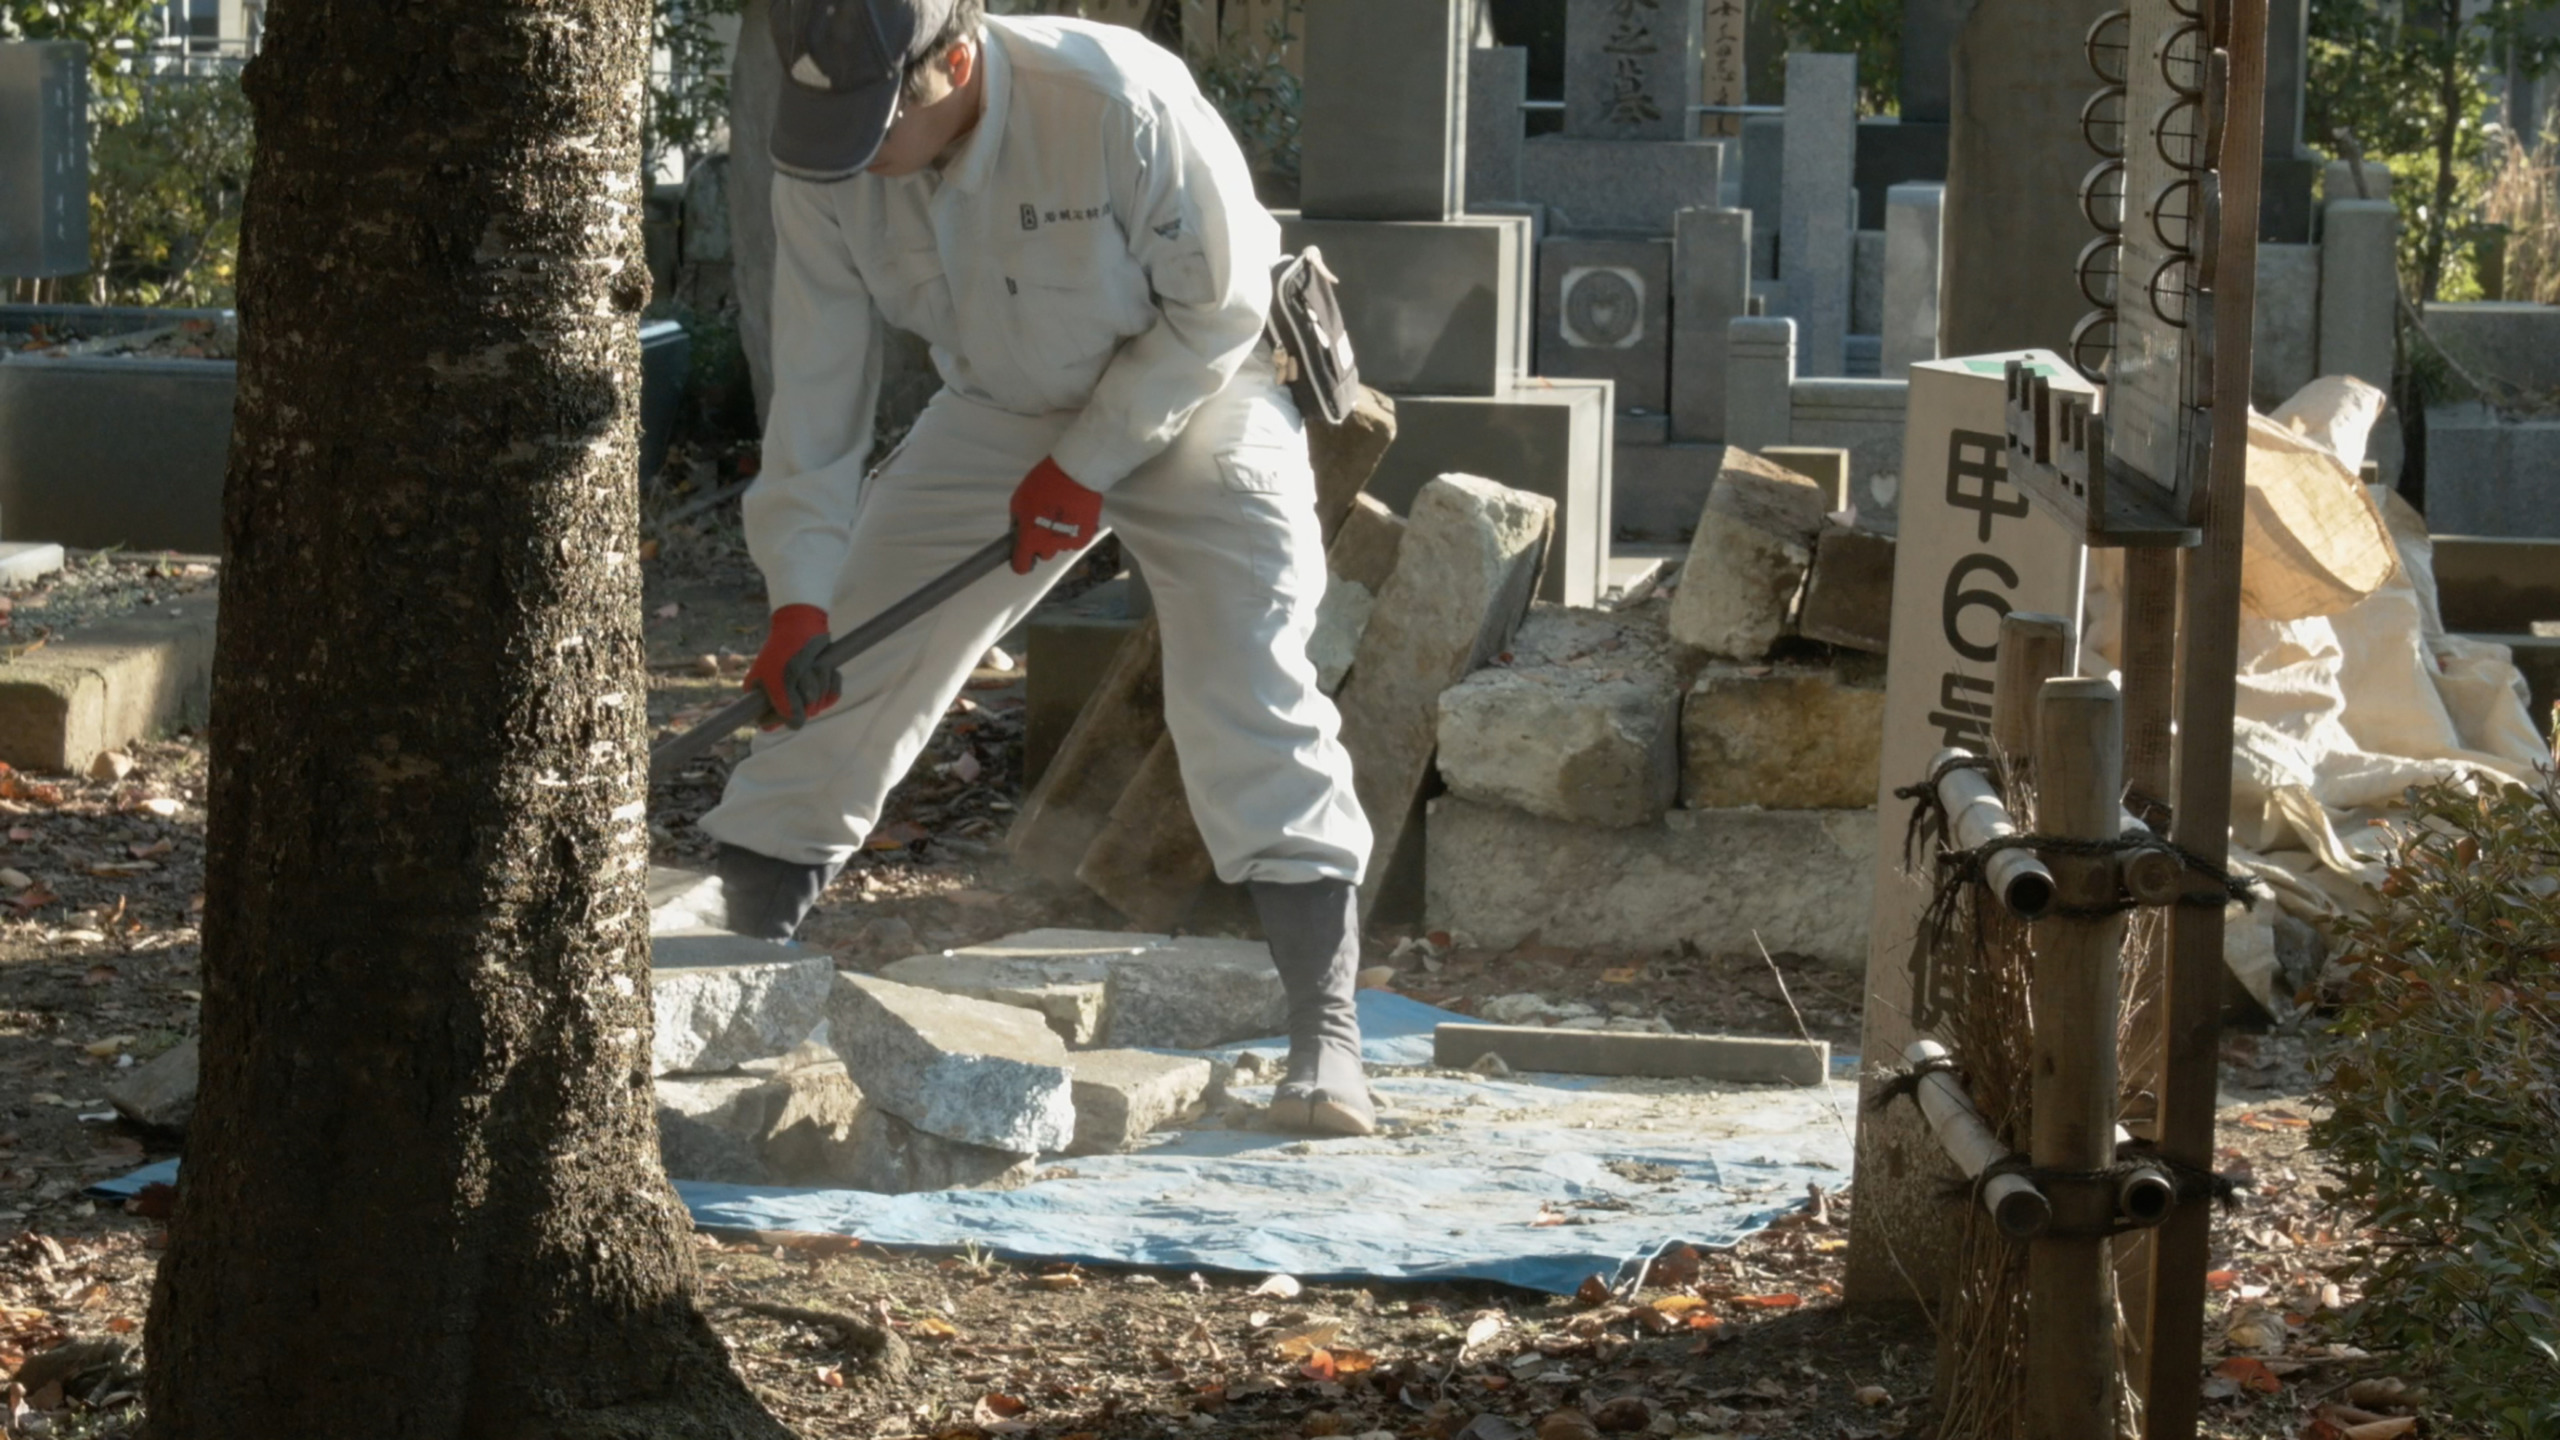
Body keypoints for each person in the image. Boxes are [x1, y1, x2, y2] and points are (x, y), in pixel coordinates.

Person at [697, 0, 1376, 1135]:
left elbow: (1219, 307)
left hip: (1200, 388)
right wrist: (798, 597)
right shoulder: (823, 150)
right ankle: (726, 972)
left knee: (1245, 675)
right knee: (841, 681)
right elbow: (815, 404)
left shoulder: (1113, 94)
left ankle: (1328, 1039)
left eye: (879, 125)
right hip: (1000, 409)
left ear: (953, 63)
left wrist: (1089, 462)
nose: (857, 159)